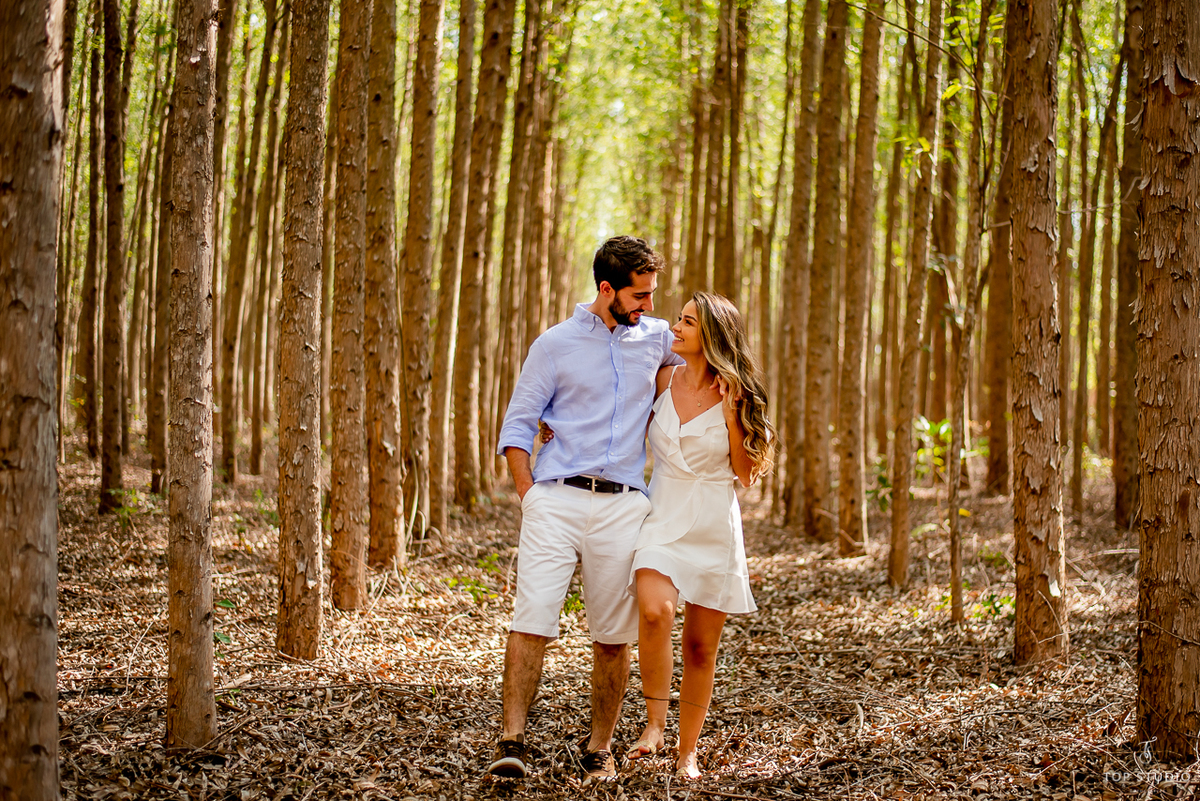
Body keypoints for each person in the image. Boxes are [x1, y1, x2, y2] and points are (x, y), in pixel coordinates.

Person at [542, 291, 775, 780]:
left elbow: (747, 474)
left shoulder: (740, 392)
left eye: (688, 322)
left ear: (711, 334)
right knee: (654, 610)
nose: (677, 328)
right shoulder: (663, 379)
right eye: (680, 320)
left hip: (714, 521)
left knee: (699, 648)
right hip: (662, 512)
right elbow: (610, 410)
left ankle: (687, 749)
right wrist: (552, 424)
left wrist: (733, 417)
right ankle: (654, 724)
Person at [487, 235, 683, 782]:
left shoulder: (659, 338)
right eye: (639, 295)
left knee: (613, 635)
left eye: (651, 293)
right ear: (606, 289)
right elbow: (519, 424)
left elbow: (695, 371)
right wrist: (531, 496)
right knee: (532, 622)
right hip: (556, 498)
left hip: (623, 505)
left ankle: (599, 748)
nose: (648, 304)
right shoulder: (554, 344)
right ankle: (512, 743)